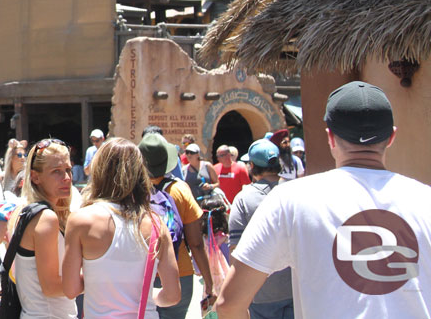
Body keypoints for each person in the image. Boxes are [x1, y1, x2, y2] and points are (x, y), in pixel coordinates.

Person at [217, 81, 431, 317]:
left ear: (330, 137)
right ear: (391, 137)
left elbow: (229, 304)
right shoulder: (426, 200)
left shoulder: (290, 200)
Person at [63, 138, 181, 317]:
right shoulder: (157, 224)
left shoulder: (81, 221)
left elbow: (70, 290)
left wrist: (101, 280)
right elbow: (172, 296)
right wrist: (151, 295)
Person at [138, 134, 215, 319]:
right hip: (179, 272)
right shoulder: (180, 189)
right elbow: (195, 243)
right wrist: (209, 280)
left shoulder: (133, 191)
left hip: (143, 273)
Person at [10, 138, 77, 319]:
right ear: (35, 176)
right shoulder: (46, 218)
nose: (67, 178)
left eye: (68, 170)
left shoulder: (23, 212)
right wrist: (98, 279)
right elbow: (51, 287)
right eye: (56, 171)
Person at [225, 139, 293, 319]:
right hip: (297, 289)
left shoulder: (244, 198)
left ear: (252, 166)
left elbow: (235, 250)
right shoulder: (295, 190)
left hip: (261, 293)